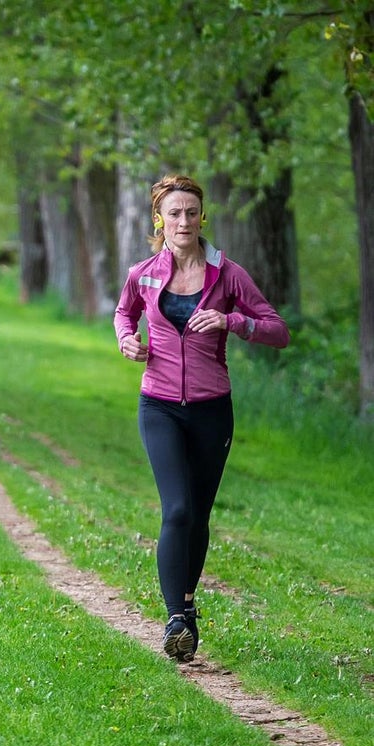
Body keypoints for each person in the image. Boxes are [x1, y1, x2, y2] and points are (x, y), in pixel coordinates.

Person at [114, 174, 289, 662]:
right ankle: (175, 616)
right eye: (174, 213)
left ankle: (188, 608)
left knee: (199, 514)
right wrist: (126, 340)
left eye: (191, 212)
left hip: (212, 409)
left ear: (202, 216)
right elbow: (124, 313)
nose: (184, 221)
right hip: (159, 405)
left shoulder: (227, 275)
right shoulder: (143, 273)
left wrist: (232, 321)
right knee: (177, 510)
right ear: (159, 219)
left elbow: (278, 330)